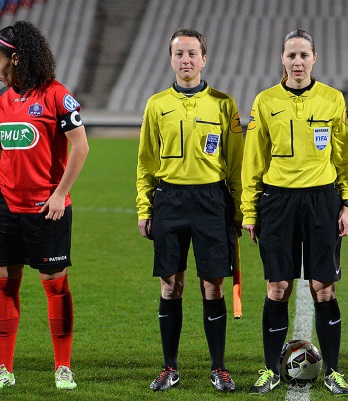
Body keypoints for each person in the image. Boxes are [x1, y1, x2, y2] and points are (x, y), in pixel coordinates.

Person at [241, 29, 348, 396]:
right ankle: (269, 370)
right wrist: (249, 210)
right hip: (277, 202)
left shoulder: (333, 100)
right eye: (291, 55)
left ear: (314, 58)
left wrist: (346, 202)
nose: (298, 62)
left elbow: (344, 158)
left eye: (304, 55)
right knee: (277, 287)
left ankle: (333, 371)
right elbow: (252, 161)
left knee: (324, 288)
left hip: (322, 201)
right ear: (282, 59)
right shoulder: (265, 101)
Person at [136, 28, 243, 393]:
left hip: (212, 201)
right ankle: (169, 367)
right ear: (170, 59)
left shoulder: (224, 104)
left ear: (204, 59)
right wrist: (144, 207)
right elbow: (146, 162)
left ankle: (219, 367)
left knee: (212, 286)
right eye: (179, 53)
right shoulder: (156, 105)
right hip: (169, 201)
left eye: (192, 53)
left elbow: (236, 163)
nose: (186, 60)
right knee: (171, 286)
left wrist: (241, 208)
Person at [0, 21, 89, 390]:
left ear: (15, 57)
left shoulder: (56, 95)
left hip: (47, 210)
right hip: (6, 209)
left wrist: (58, 194)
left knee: (54, 286)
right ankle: (4, 368)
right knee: (5, 286)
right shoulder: (2, 100)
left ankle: (62, 367)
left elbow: (81, 147)